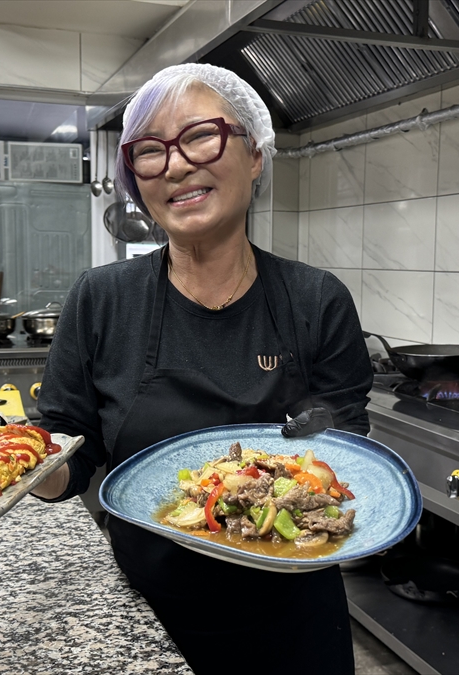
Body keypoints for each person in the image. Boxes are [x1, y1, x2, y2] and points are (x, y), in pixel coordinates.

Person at [32, 63, 373, 674]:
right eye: (150, 151)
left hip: (293, 619)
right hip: (145, 616)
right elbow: (71, 446)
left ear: (255, 155)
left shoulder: (316, 299)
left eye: (199, 137)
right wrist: (25, 465)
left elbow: (344, 447)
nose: (176, 165)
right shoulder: (101, 298)